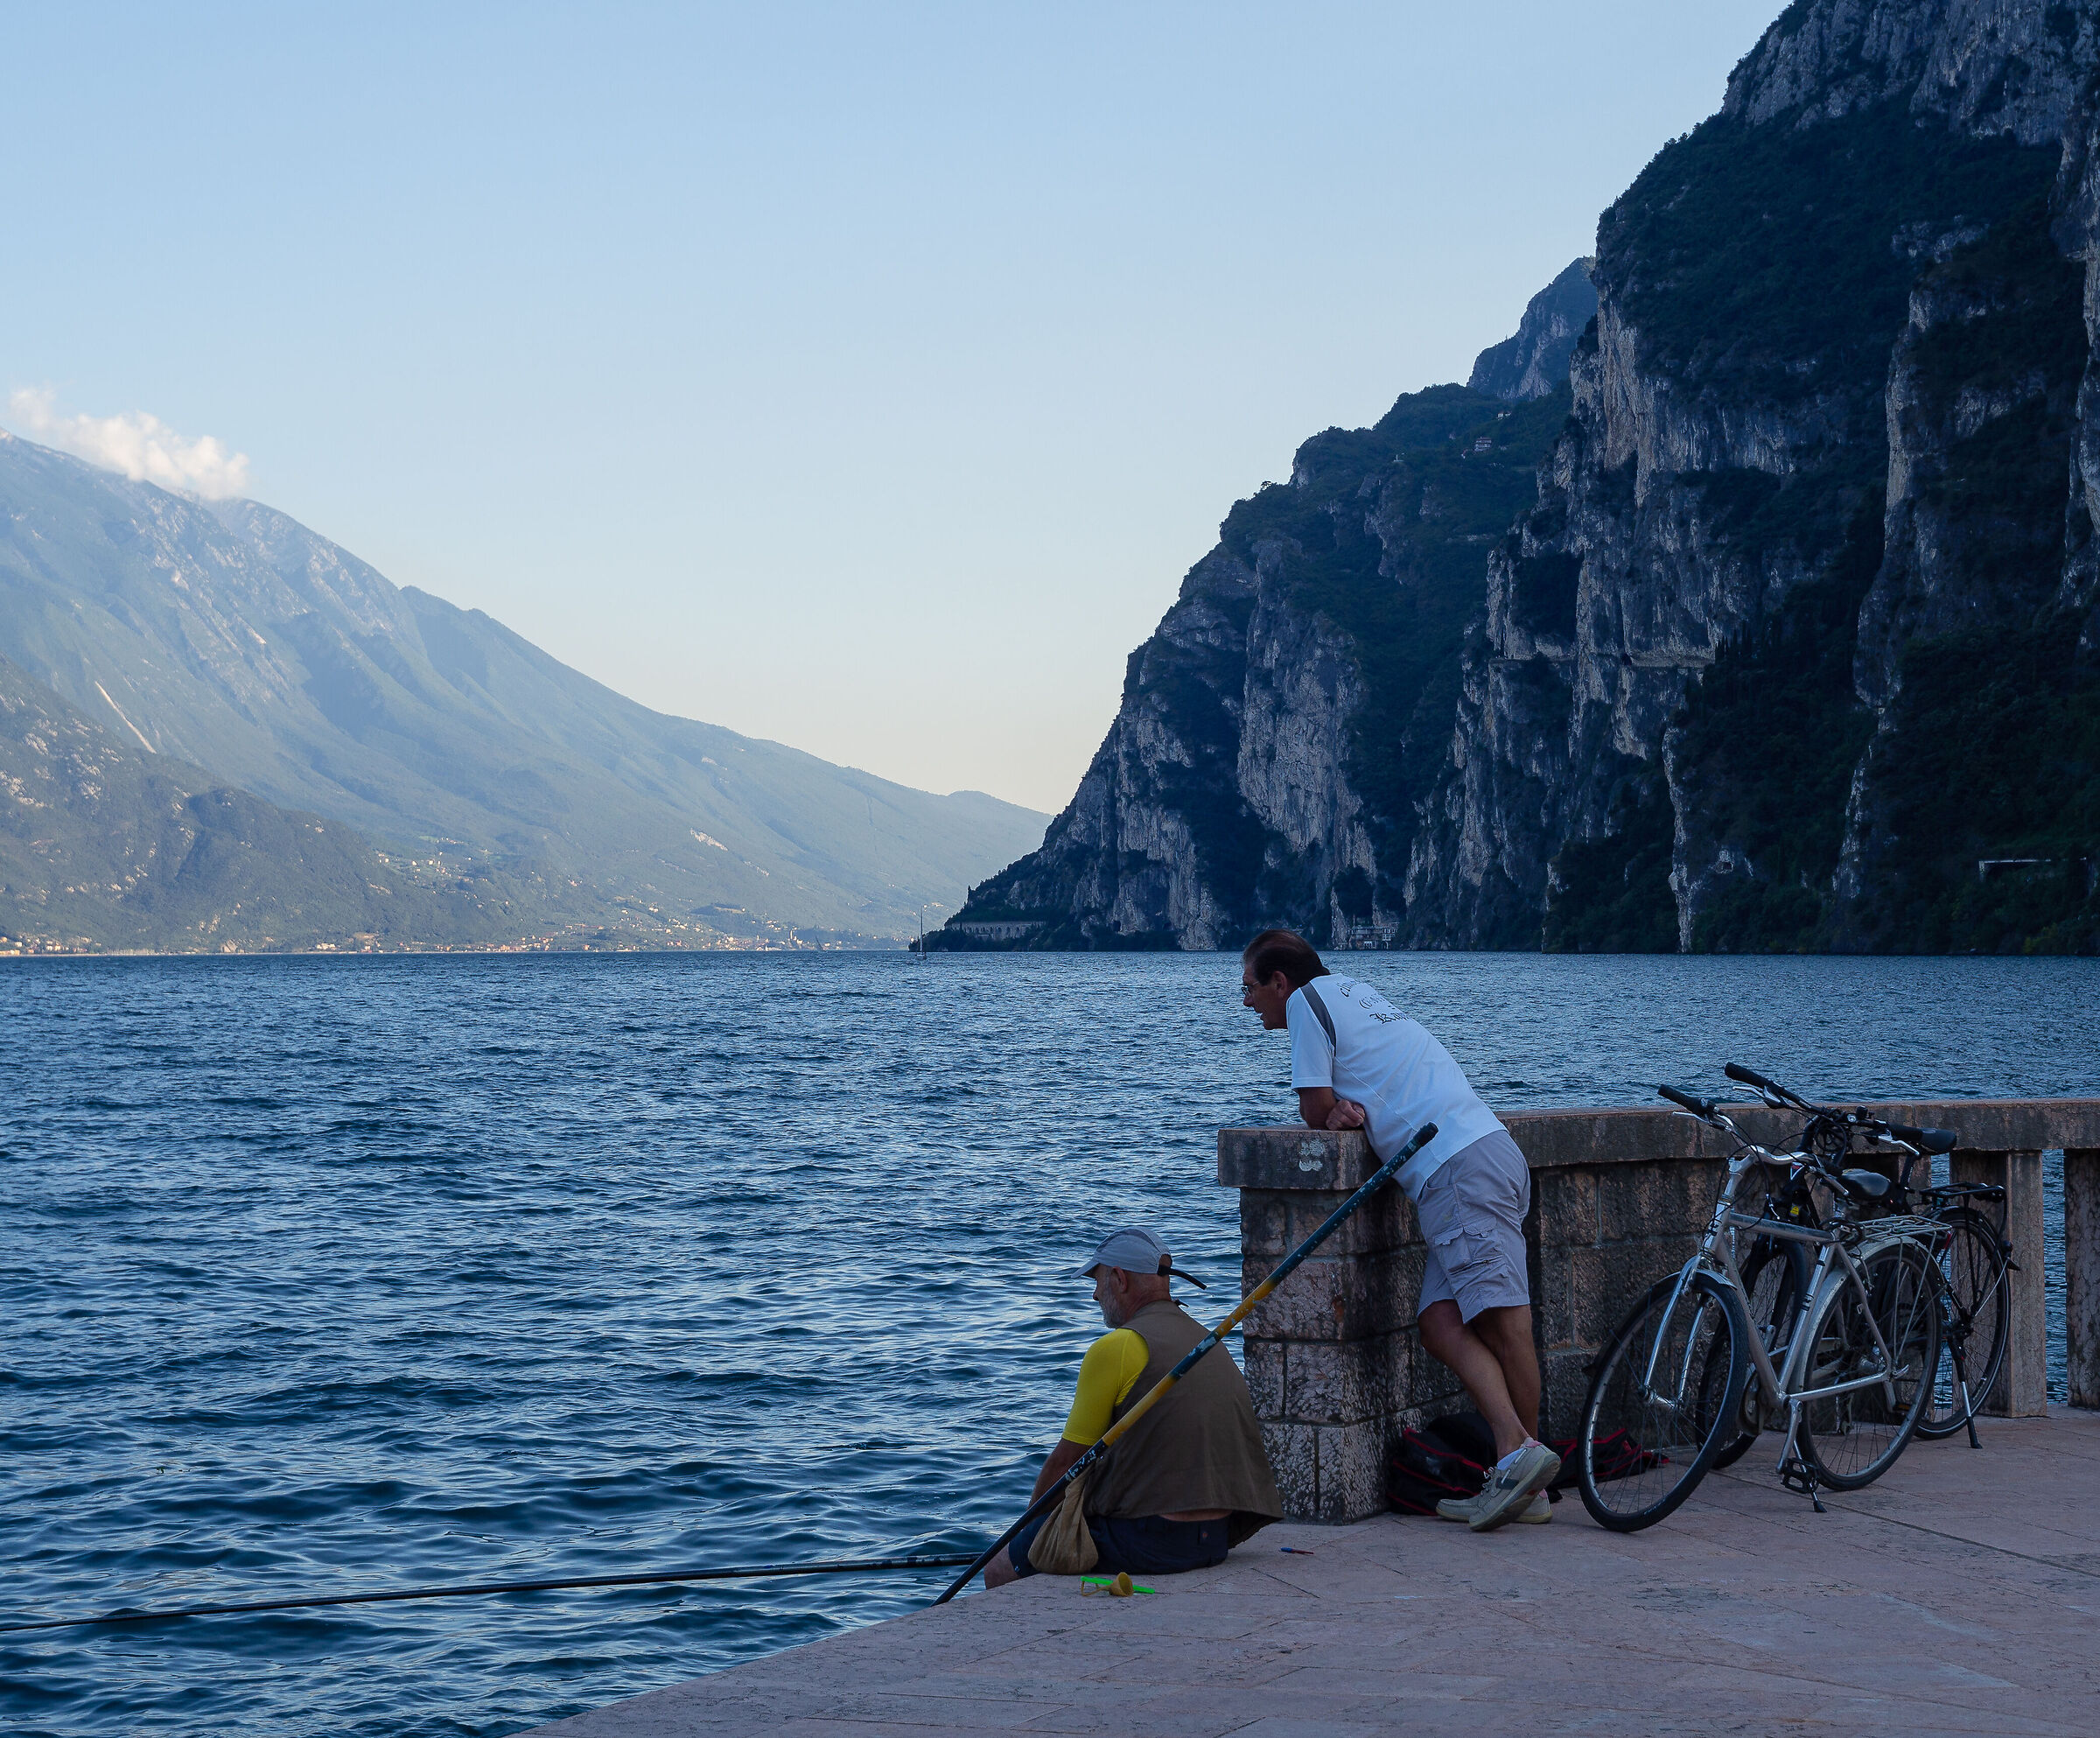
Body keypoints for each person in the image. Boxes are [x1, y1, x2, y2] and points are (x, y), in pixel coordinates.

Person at [1239, 929, 1559, 1531]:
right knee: (1442, 1325)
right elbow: (1346, 1099)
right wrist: (1343, 1110)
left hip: (1456, 1170)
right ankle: (1521, 1469)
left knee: (1506, 1324)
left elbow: (1313, 1109)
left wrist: (1333, 1112)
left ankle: (1523, 1469)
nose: (1249, 1001)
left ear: (1280, 981)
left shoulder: (1308, 1003)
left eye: (1250, 988)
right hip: (1484, 1153)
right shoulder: (1353, 992)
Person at [984, 1228, 1283, 1587]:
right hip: (1216, 1537)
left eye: (1097, 1281)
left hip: (1153, 1540)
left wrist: (1028, 1532)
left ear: (1119, 1279)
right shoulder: (1207, 1341)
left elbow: (1066, 1463)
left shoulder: (1118, 1347)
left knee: (1000, 1565)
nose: (1095, 1295)